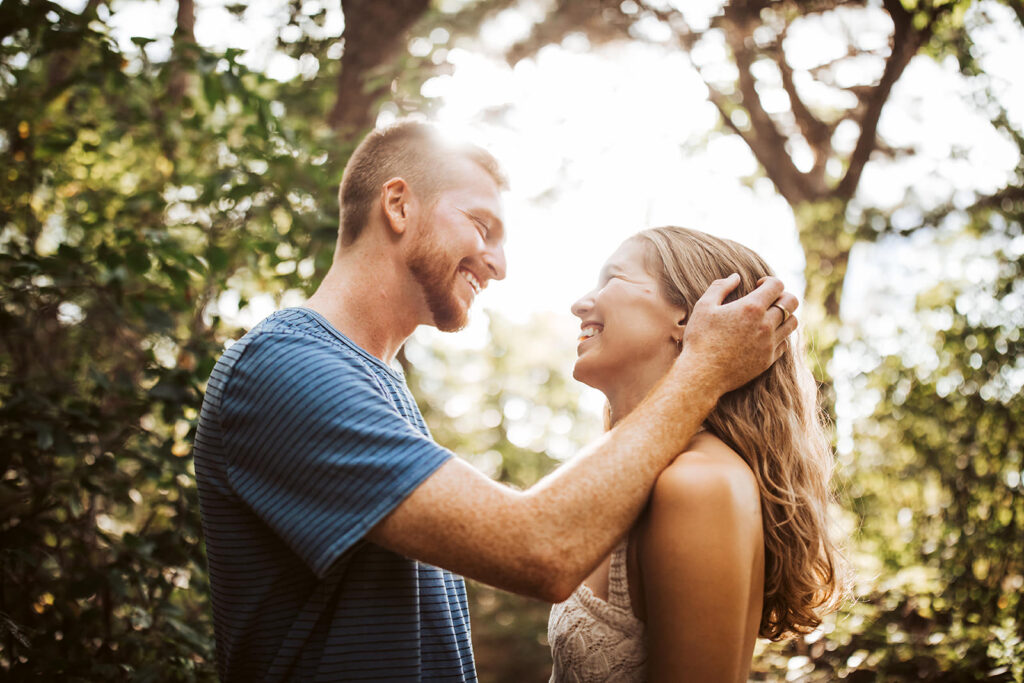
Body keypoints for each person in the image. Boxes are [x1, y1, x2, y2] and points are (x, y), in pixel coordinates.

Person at [192, 121, 800, 682]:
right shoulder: (287, 369)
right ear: (399, 205)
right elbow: (541, 550)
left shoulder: (374, 383)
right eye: (483, 226)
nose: (501, 266)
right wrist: (704, 370)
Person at [547, 226, 847, 683]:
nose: (581, 304)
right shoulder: (635, 479)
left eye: (613, 279)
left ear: (688, 318)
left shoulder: (698, 484)